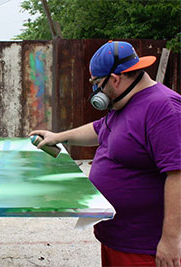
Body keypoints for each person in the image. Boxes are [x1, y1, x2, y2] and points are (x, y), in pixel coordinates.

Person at [30, 40, 181, 267]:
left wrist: (170, 242)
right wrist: (59, 137)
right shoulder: (124, 103)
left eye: (98, 84)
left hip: (143, 247)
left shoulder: (164, 109)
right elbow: (100, 129)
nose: (97, 92)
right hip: (117, 237)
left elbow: (177, 175)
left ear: (115, 79)